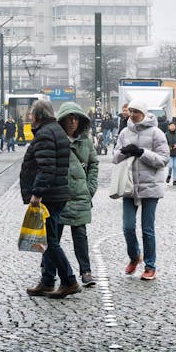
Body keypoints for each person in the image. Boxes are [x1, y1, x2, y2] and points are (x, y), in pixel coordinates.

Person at [20, 100, 78, 298]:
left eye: (31, 114)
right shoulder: (56, 131)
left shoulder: (45, 134)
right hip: (57, 193)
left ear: (37, 116)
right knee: (46, 239)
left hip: (50, 195)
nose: (29, 118)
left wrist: (36, 193)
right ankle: (46, 281)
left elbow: (46, 168)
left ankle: (69, 280)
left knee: (50, 242)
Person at [113, 99, 169, 280]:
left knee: (147, 228)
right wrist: (124, 152)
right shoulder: (124, 132)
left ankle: (150, 266)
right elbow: (115, 157)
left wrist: (141, 153)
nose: (131, 114)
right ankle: (134, 256)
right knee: (128, 227)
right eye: (130, 111)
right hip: (129, 185)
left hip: (151, 185)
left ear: (143, 112)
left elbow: (163, 159)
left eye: (135, 111)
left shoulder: (156, 133)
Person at [56, 102, 99, 288]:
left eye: (76, 118)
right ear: (62, 119)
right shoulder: (56, 139)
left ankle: (86, 271)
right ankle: (47, 272)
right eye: (69, 118)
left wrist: (89, 189)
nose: (73, 122)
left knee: (80, 235)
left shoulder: (86, 141)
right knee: (53, 237)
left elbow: (93, 164)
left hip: (80, 195)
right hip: (59, 196)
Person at [165, 121, 176, 186]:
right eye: (171, 126)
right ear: (169, 127)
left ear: (175, 127)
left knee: (175, 166)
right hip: (169, 153)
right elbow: (163, 143)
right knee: (170, 166)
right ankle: (169, 175)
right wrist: (168, 146)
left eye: (173, 126)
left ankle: (174, 180)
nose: (172, 127)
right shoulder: (166, 134)